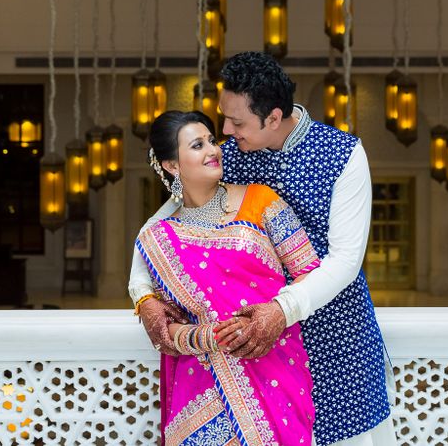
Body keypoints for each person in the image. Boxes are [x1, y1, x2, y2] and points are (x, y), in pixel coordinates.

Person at [130, 52, 394, 446]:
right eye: (223, 117)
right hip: (255, 347)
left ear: (273, 117)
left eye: (236, 122)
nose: (224, 130)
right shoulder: (230, 154)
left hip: (334, 334)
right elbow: (158, 227)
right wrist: (144, 297)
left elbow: (345, 261)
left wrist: (281, 311)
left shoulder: (342, 155)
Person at [136, 110, 318, 445]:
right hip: (202, 381)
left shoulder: (262, 201)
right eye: (197, 145)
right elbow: (167, 324)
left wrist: (275, 313)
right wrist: (206, 338)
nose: (213, 149)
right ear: (172, 165)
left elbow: (311, 274)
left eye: (211, 140)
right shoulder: (159, 239)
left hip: (276, 364)